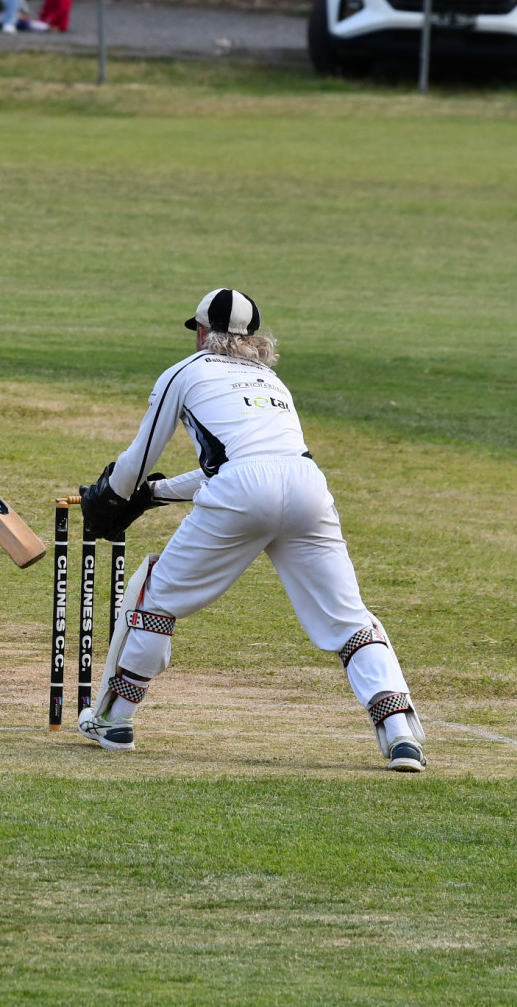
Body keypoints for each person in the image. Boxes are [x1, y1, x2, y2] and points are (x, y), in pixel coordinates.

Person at [76, 289, 426, 772]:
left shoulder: (185, 371)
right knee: (348, 618)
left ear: (202, 333)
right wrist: (156, 495)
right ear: (253, 338)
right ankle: (400, 733)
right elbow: (249, 465)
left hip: (244, 490)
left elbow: (138, 462)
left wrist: (107, 498)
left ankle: (114, 718)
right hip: (307, 489)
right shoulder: (274, 383)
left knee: (155, 597)